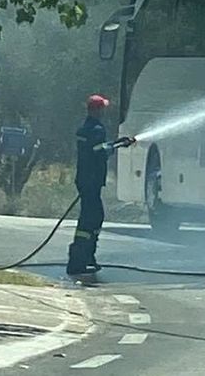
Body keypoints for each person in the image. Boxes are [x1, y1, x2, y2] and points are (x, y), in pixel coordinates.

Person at [67, 94, 122, 276]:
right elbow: (99, 151)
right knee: (92, 218)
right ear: (96, 110)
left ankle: (83, 257)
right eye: (102, 109)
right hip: (92, 181)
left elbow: (94, 149)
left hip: (84, 180)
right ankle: (82, 259)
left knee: (89, 219)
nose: (104, 112)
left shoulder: (84, 128)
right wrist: (115, 147)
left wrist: (115, 144)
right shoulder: (97, 129)